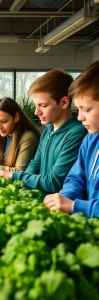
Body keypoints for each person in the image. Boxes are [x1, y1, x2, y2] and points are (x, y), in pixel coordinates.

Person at [0, 69, 87, 199]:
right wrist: (19, 185)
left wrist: (14, 175)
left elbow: (54, 182)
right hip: (38, 198)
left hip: (58, 207)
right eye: (36, 105)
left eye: (43, 105)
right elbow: (35, 164)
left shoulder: (77, 133)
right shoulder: (47, 131)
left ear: (64, 102)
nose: (36, 112)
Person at [44, 61, 99, 218]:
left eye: (86, 109)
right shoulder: (91, 140)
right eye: (78, 109)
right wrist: (65, 197)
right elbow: (76, 178)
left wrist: (75, 206)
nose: (80, 117)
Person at [0, 97, 40, 172]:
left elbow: (20, 171)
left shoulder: (28, 137)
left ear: (16, 117)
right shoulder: (0, 135)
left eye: (4, 121)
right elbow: (1, 164)